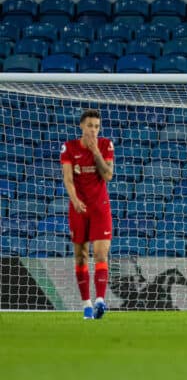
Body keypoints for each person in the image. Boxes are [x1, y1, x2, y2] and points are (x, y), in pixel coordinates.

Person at [61, 108, 114, 320]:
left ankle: (100, 300)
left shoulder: (105, 145)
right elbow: (68, 179)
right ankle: (86, 306)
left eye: (97, 126)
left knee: (101, 254)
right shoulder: (69, 147)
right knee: (81, 256)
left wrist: (96, 153)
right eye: (90, 125)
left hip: (100, 207)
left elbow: (108, 175)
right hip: (78, 208)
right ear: (81, 126)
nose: (93, 130)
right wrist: (75, 200)